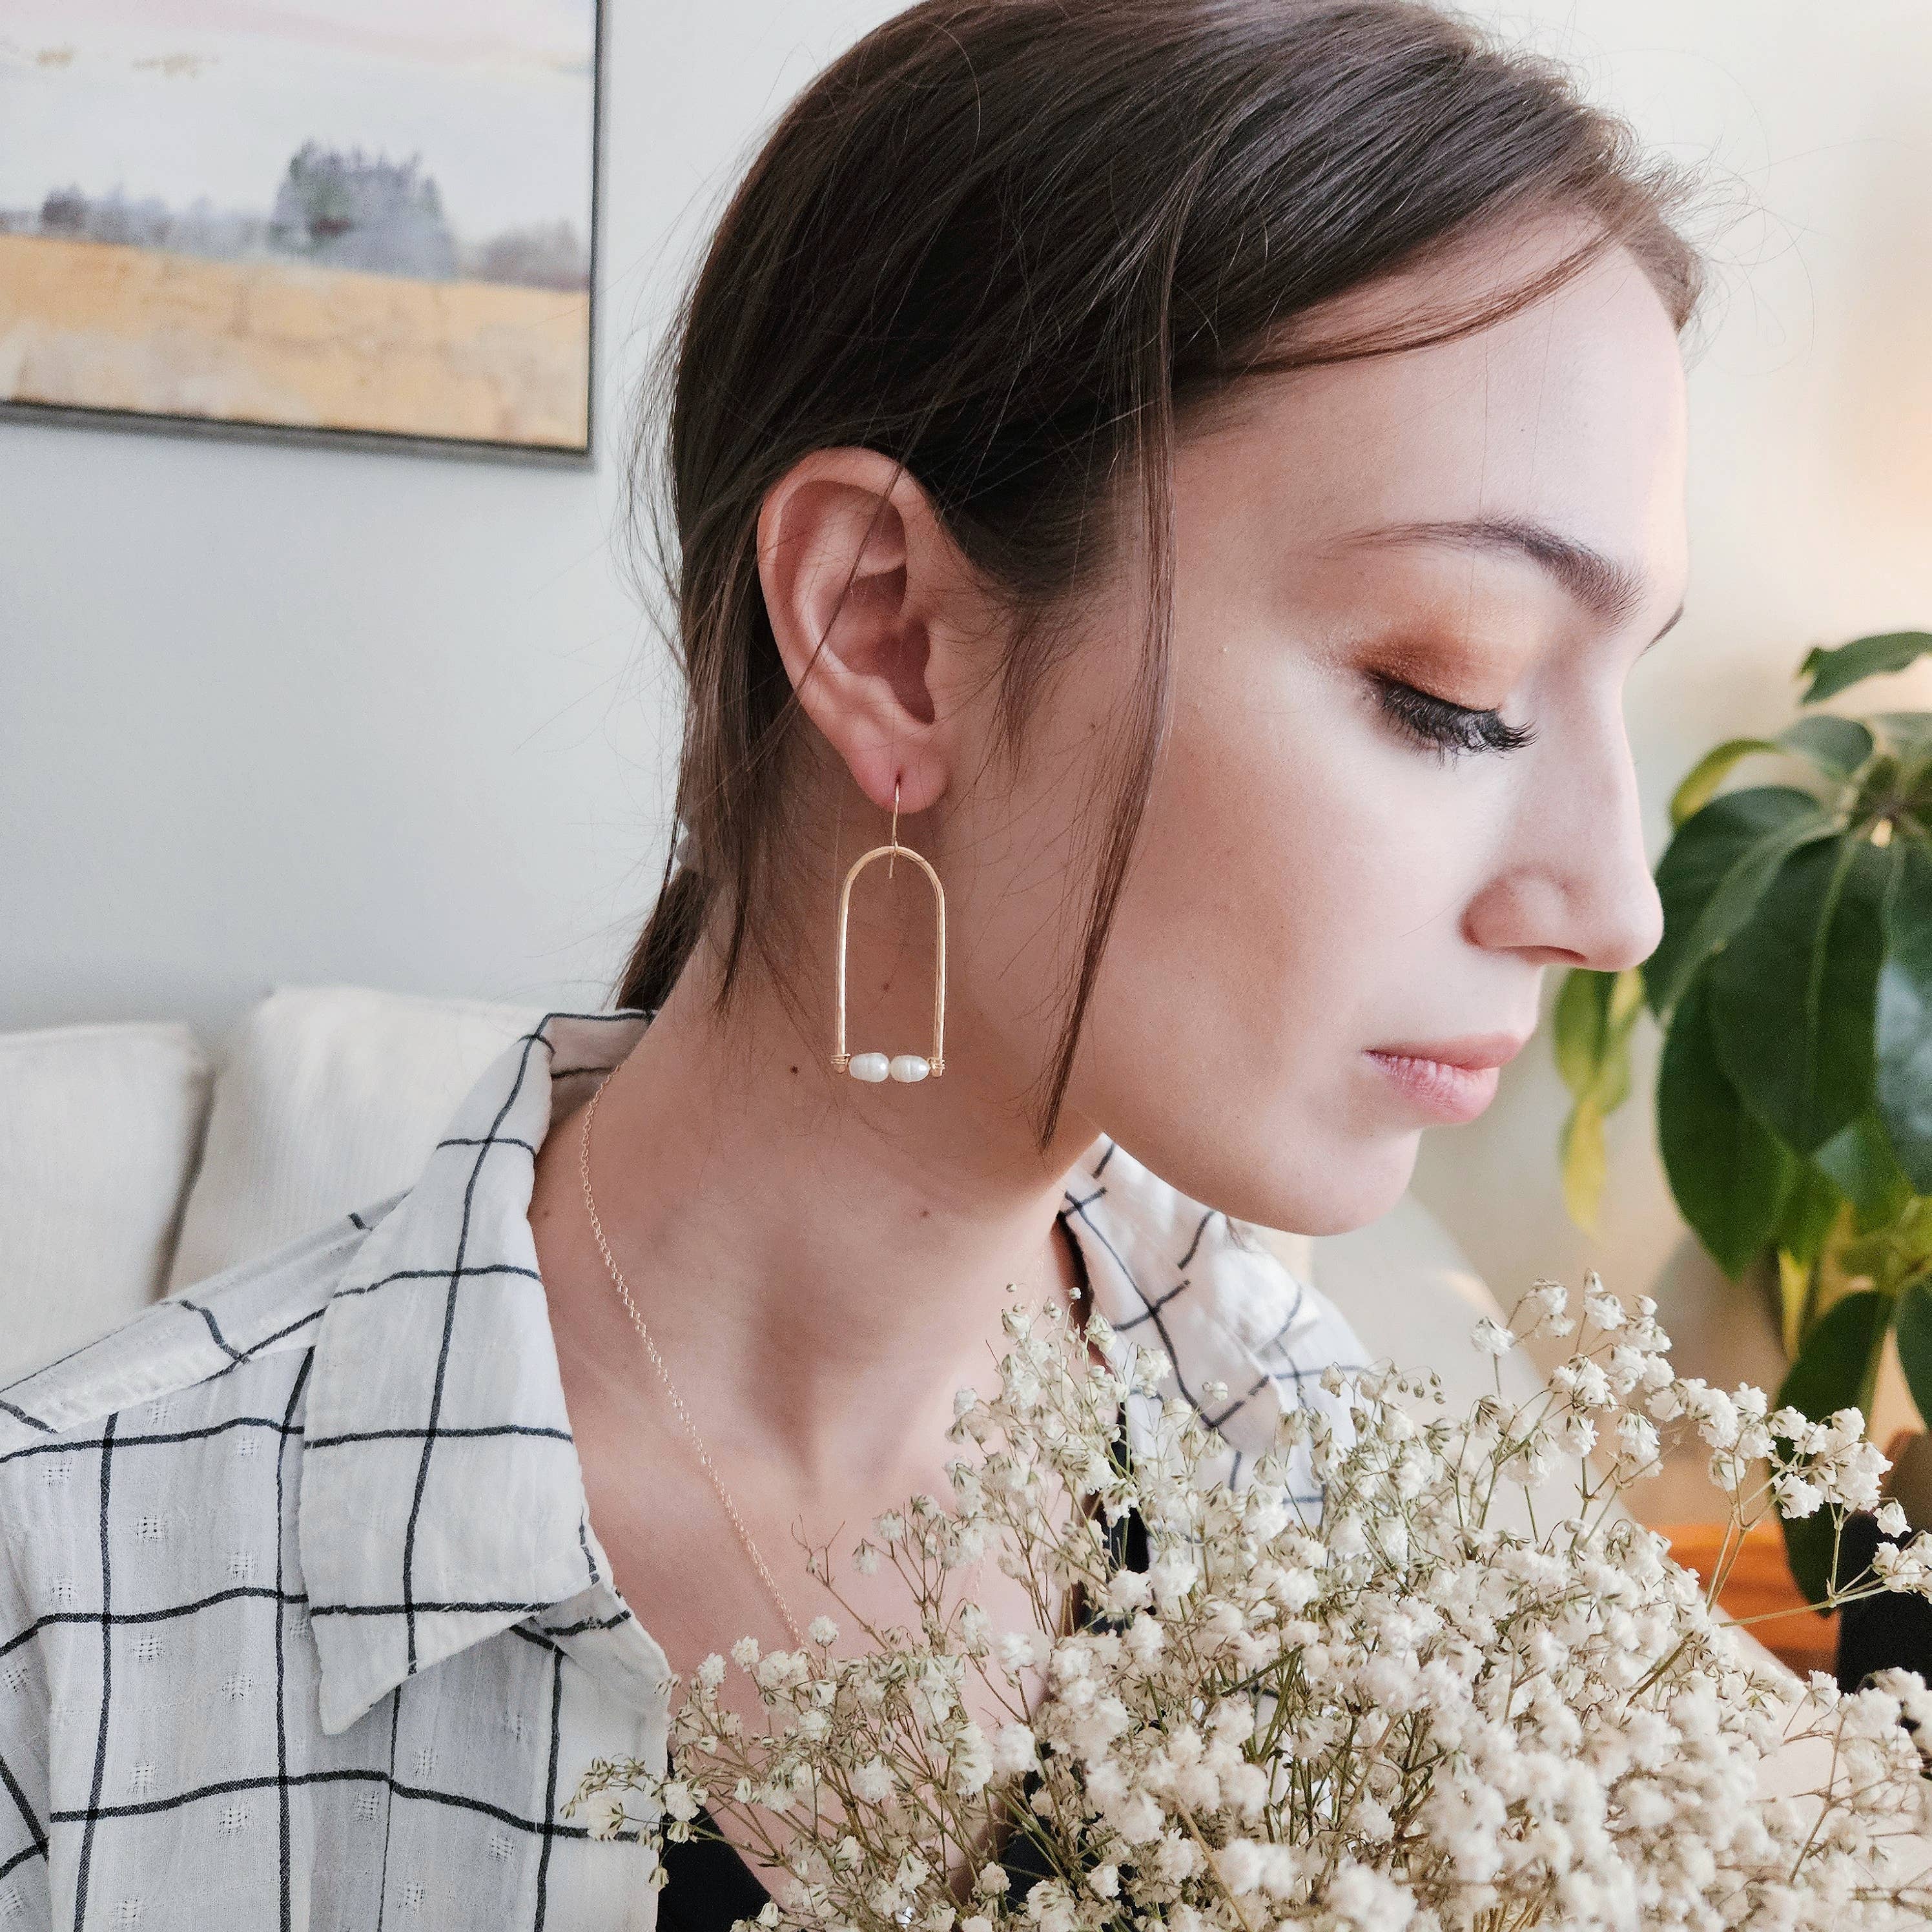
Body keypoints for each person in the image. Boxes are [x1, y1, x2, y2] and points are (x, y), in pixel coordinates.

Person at [0, 1, 1705, 1923]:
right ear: (888, 634)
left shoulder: (1365, 1516)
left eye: (1615, 694)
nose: (1616, 903)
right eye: (1451, 687)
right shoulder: (72, 1631)